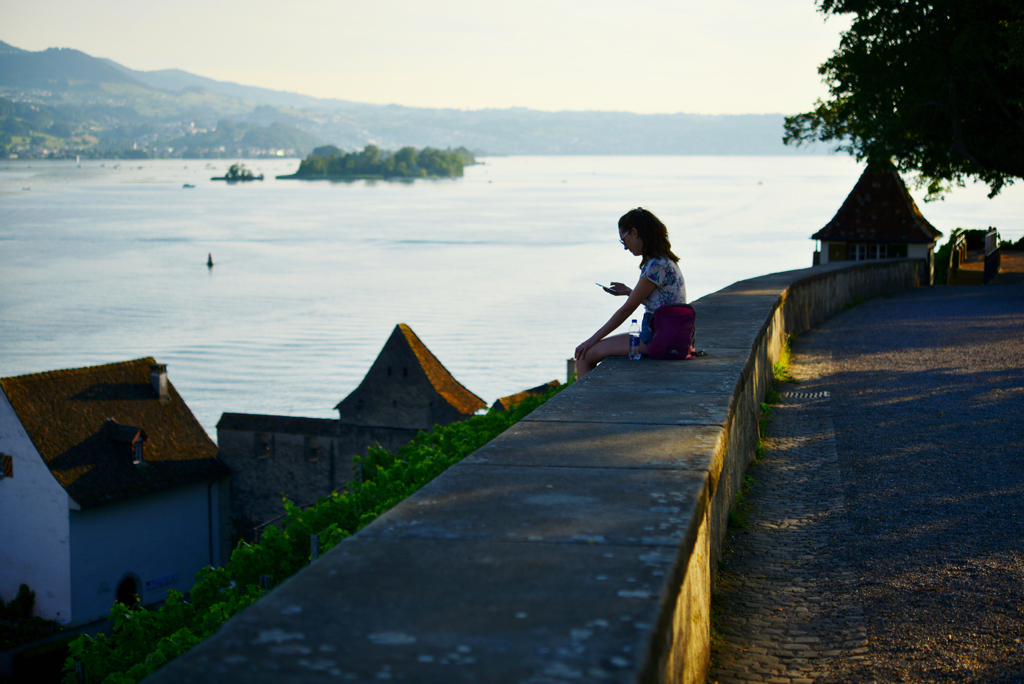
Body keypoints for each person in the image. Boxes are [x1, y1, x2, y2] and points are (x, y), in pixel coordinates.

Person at [574, 207, 686, 377]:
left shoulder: (655, 266)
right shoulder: (665, 260)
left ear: (634, 232)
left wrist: (591, 341)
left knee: (583, 356)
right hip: (669, 336)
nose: (625, 247)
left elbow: (627, 310)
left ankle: (588, 404)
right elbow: (661, 303)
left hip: (656, 339)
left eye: (623, 240)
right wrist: (628, 291)